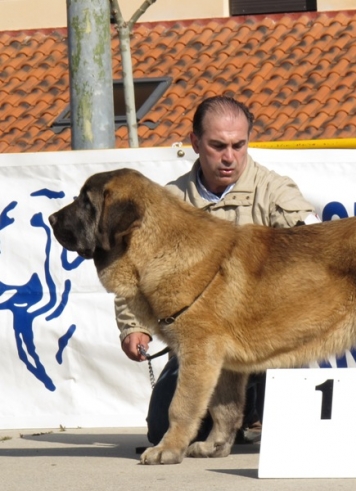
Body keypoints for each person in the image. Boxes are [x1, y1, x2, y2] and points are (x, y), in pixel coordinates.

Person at [116, 95, 319, 445]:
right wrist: (134, 327)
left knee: (294, 433)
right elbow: (135, 272)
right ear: (195, 143)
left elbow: (316, 247)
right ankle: (235, 416)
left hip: (272, 341)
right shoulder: (170, 200)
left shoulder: (275, 190)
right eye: (218, 146)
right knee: (162, 432)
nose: (230, 157)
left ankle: (249, 408)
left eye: (239, 145)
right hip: (202, 345)